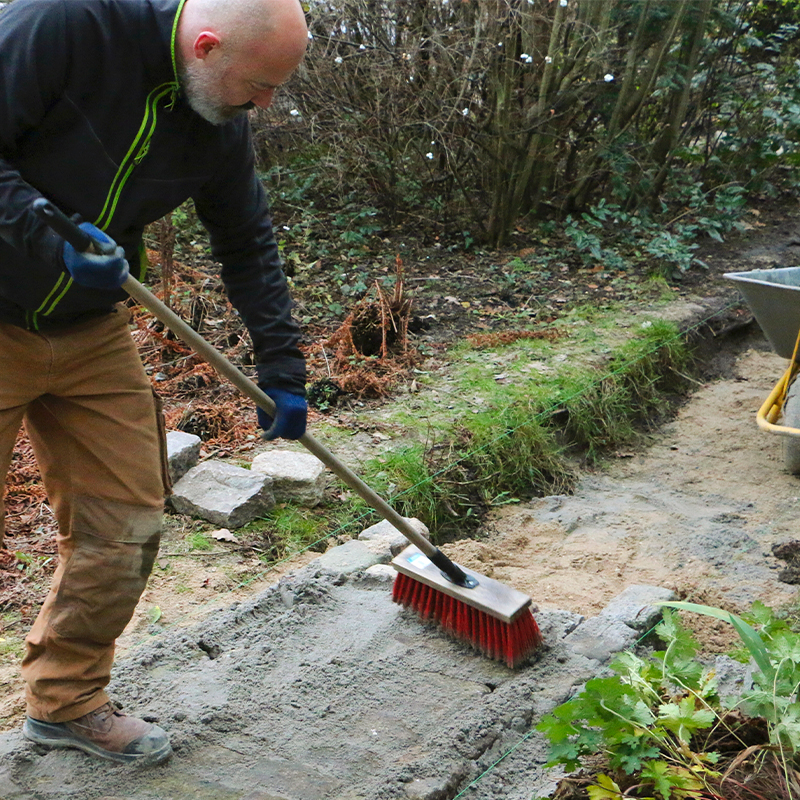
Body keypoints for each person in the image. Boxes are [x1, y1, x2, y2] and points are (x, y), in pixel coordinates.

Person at [0, 0, 310, 766]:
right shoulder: (62, 26)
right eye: (260, 85)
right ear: (205, 46)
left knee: (125, 525)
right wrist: (46, 229)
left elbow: (245, 239)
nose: (263, 105)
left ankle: (65, 700)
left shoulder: (219, 120)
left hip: (90, 332)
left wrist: (281, 368)